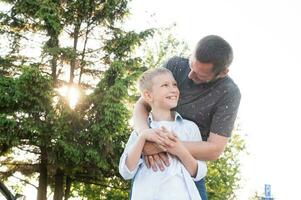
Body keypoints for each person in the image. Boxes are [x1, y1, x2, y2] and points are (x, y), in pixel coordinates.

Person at [133, 35, 241, 200]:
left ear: (222, 73)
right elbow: (142, 105)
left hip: (188, 167)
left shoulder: (229, 93)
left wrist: (163, 145)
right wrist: (145, 136)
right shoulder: (175, 66)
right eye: (191, 65)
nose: (190, 75)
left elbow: (214, 149)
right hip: (152, 166)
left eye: (200, 76)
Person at [119, 67, 207, 200]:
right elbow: (126, 172)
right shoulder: (140, 132)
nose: (173, 89)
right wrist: (143, 137)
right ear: (148, 95)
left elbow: (199, 172)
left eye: (174, 84)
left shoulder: (189, 128)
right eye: (165, 85)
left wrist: (178, 149)